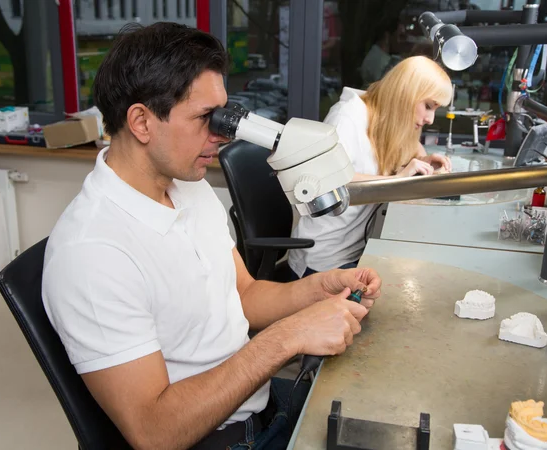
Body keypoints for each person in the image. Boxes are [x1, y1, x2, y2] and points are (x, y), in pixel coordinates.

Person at [41, 23, 382, 450]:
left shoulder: (189, 186)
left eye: (224, 113)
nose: (222, 134)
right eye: (206, 117)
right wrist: (287, 337)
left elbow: (242, 294)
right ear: (142, 122)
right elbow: (154, 431)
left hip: (258, 408)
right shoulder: (92, 253)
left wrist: (317, 291)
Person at [288, 56, 453, 279]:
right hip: (323, 261)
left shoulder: (385, 119)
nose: (430, 119)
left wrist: (424, 161)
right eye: (428, 106)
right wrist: (397, 180)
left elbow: (413, 147)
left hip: (355, 251)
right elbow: (324, 180)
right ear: (406, 94)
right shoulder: (347, 117)